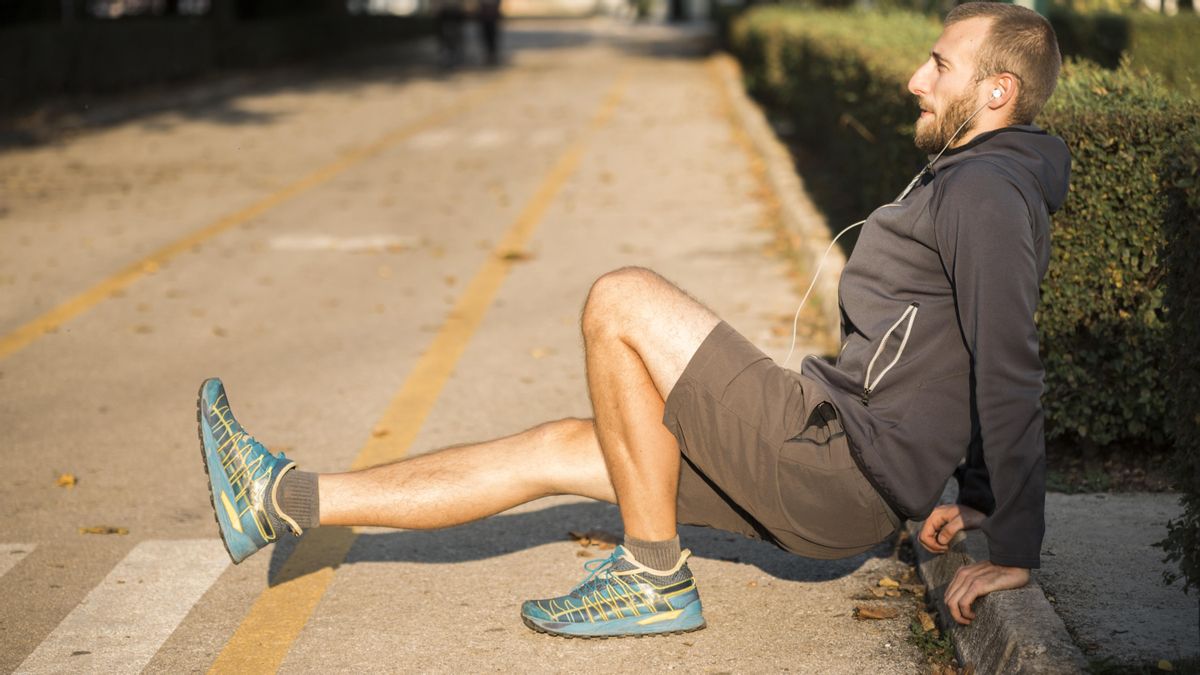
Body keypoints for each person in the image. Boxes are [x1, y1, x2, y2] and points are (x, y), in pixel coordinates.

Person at [198, 2, 1069, 638]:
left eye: (939, 66)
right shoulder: (973, 177)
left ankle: (653, 575)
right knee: (560, 447)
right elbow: (968, 354)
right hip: (838, 467)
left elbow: (1009, 363)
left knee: (620, 297)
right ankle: (281, 498)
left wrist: (1015, 535)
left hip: (836, 466)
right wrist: (977, 497)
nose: (916, 78)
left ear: (997, 89)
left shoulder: (988, 191)